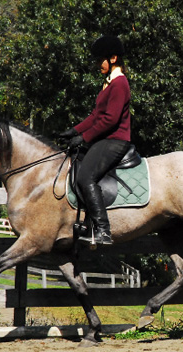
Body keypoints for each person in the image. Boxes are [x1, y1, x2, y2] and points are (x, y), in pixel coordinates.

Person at [61, 35, 131, 245]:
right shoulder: (108, 84)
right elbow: (95, 116)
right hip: (104, 140)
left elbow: (110, 120)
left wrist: (84, 138)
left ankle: (103, 231)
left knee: (85, 178)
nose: (96, 64)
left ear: (113, 58)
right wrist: (73, 131)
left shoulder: (120, 84)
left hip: (115, 140)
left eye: (99, 60)